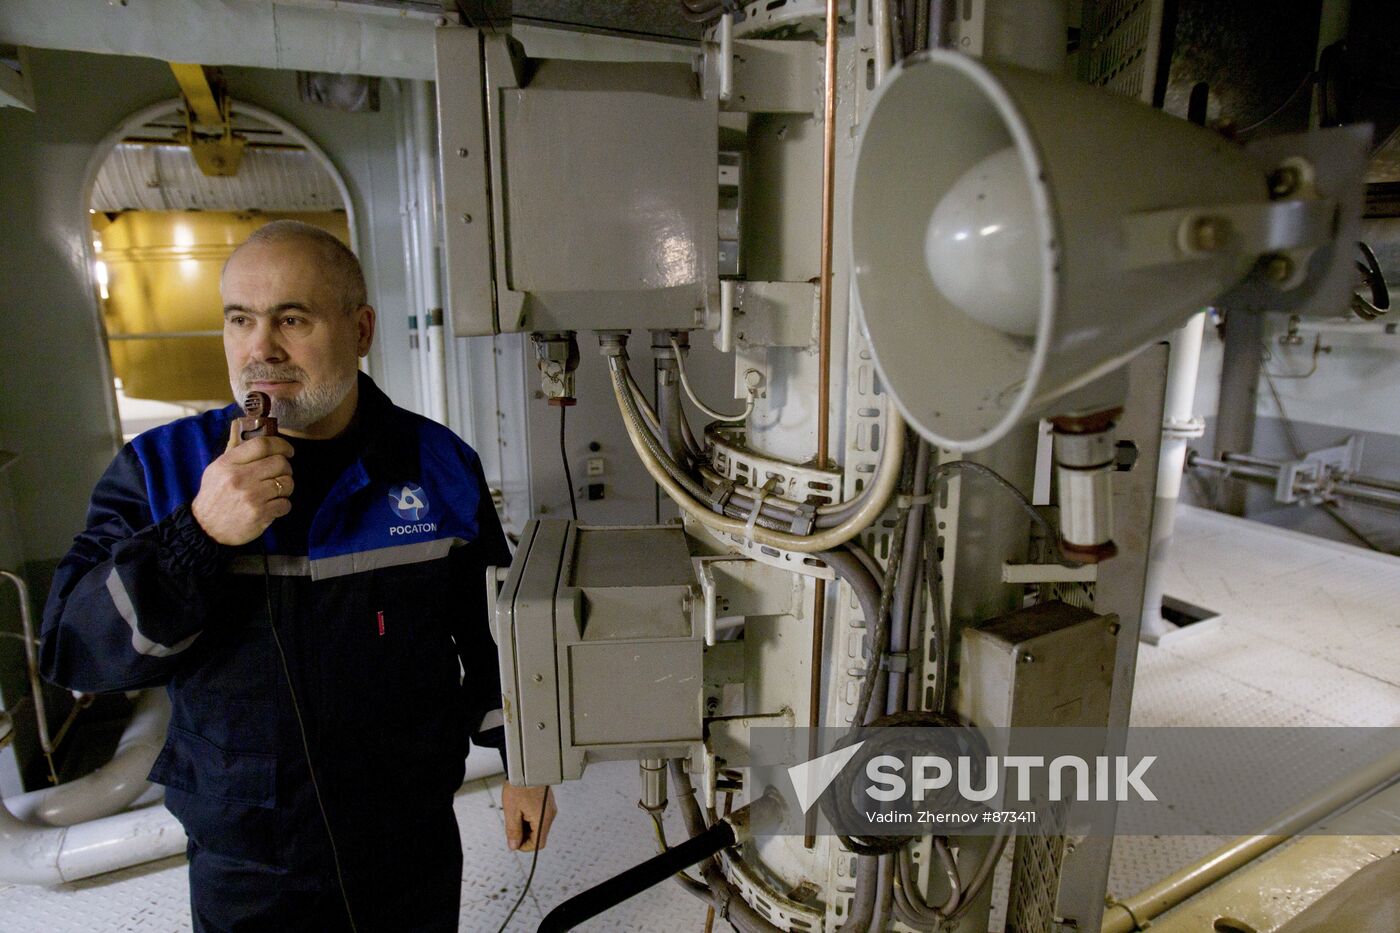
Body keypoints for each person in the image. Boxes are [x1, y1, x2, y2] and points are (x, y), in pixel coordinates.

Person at [40, 220, 556, 932]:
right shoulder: (162, 470)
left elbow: (495, 635)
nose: (261, 348)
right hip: (246, 853)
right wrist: (200, 534)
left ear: (362, 327)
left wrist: (524, 762)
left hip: (406, 838)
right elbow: (74, 649)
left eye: (292, 318)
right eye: (240, 320)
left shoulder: (438, 465)